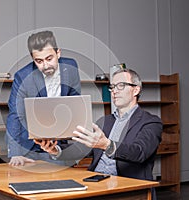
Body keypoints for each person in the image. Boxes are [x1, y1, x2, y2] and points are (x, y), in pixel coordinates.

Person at [35, 68, 162, 199]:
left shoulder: (151, 122)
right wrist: (55, 150)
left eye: (121, 86)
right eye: (112, 87)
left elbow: (139, 152)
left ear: (136, 90)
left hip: (128, 187)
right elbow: (81, 148)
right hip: (94, 183)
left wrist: (107, 145)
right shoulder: (104, 121)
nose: (114, 91)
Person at [6, 30, 81, 166]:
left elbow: (74, 103)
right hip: (29, 147)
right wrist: (15, 153)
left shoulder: (71, 67)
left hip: (58, 145)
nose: (45, 66)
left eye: (49, 59)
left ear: (58, 53)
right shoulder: (22, 77)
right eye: (39, 61)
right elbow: (15, 115)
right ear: (32, 58)